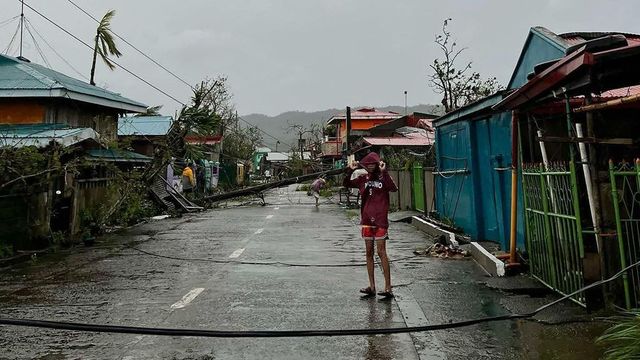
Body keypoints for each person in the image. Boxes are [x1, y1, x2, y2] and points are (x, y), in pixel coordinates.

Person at [343, 152, 398, 298]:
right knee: (368, 253)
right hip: (367, 220)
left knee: (381, 252)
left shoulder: (383, 177)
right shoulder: (362, 179)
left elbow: (393, 188)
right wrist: (350, 170)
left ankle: (388, 287)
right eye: (369, 165)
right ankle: (372, 286)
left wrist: (384, 171)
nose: (371, 167)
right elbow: (346, 183)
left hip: (380, 220)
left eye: (374, 164)